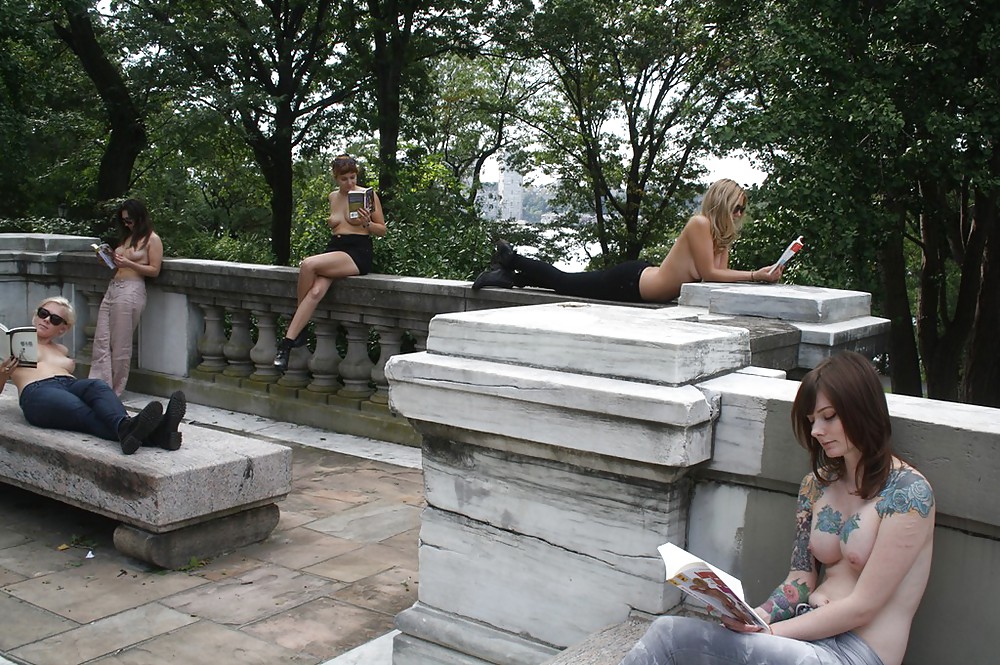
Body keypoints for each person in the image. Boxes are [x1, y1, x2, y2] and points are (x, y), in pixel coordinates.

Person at [619, 351, 935, 665]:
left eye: (829, 416)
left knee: (678, 640)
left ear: (861, 409)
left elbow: (864, 606)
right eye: (812, 421)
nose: (816, 432)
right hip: (802, 636)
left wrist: (771, 633)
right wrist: (753, 617)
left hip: (856, 654)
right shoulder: (817, 485)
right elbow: (799, 581)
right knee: (670, 633)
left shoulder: (909, 494)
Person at [472, 178, 782, 302]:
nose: (740, 214)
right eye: (736, 208)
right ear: (723, 205)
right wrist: (758, 276)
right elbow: (711, 275)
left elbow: (716, 282)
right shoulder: (699, 224)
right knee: (566, 282)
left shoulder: (718, 237)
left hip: (642, 280)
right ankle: (510, 259)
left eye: (742, 209)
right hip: (631, 282)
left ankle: (511, 277)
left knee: (567, 283)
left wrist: (727, 243)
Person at [1, 297, 186, 455]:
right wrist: (3, 373)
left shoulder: (61, 350)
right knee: (83, 411)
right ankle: (157, 432)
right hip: (38, 392)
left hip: (70, 385)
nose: (47, 320)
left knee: (97, 386)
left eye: (55, 319)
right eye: (43, 313)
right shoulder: (10, 346)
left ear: (62, 329)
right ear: (35, 316)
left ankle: (134, 429)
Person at [274, 154, 386, 371]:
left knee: (308, 265)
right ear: (336, 178)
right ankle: (288, 343)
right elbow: (338, 225)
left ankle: (296, 325)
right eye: (345, 179)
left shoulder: (367, 195)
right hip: (335, 249)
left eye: (353, 177)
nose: (350, 183)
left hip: (357, 251)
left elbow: (382, 230)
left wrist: (367, 223)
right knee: (315, 293)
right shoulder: (333, 197)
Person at [88, 198, 163, 395]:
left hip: (131, 290)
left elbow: (154, 270)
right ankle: (98, 385)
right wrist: (106, 259)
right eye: (124, 221)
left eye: (129, 220)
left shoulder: (152, 239)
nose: (127, 224)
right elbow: (117, 265)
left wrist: (129, 264)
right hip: (113, 287)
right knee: (101, 340)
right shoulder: (127, 238)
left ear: (140, 217)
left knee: (120, 343)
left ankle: (115, 390)